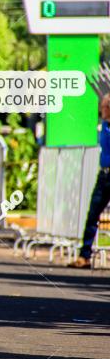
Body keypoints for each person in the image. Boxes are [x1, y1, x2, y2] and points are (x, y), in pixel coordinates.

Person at [69, 92, 110, 269]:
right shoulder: (103, 126)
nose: (101, 110)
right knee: (93, 214)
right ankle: (84, 255)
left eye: (104, 107)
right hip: (104, 175)